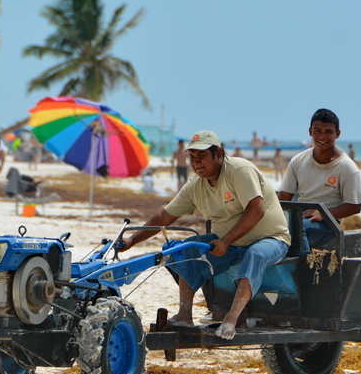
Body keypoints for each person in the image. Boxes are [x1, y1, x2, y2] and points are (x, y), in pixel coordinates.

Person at [121, 130, 290, 340]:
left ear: (218, 153)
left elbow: (256, 210)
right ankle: (184, 315)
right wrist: (131, 240)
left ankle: (231, 318)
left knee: (255, 253)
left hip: (271, 238)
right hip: (231, 242)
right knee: (186, 248)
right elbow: (164, 216)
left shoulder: (239, 170)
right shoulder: (196, 185)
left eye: (201, 156)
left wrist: (227, 240)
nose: (196, 162)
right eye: (192, 157)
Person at [277, 108, 361, 249]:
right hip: (300, 217)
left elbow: (354, 206)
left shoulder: (347, 167)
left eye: (328, 132)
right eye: (317, 131)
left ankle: (301, 268)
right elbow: (284, 197)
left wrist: (322, 213)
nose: (322, 136)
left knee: (298, 230)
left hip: (328, 224)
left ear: (337, 134)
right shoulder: (298, 161)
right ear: (310, 132)